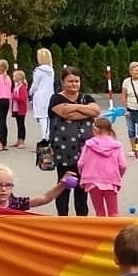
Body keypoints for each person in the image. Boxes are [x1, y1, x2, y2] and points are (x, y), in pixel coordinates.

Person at [48, 67, 100, 216]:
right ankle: (62, 219)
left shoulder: (86, 97)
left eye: (77, 81)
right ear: (63, 82)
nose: (74, 84)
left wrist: (75, 107)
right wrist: (86, 112)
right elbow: (66, 114)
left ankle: (81, 220)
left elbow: (96, 111)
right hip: (63, 151)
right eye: (70, 81)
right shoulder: (56, 98)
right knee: (63, 186)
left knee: (82, 188)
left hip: (85, 151)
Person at [76, 115, 128, 216]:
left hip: (92, 181)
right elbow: (123, 165)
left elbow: (80, 163)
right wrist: (119, 174)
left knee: (99, 213)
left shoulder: (89, 144)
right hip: (111, 181)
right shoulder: (116, 145)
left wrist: (84, 174)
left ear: (95, 129)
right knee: (113, 213)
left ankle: (101, 226)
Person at [29, 49, 56, 142]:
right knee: (48, 117)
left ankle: (44, 137)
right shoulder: (51, 70)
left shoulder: (38, 70)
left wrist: (30, 92)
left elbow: (35, 84)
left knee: (42, 117)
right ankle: (48, 135)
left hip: (40, 95)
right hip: (49, 94)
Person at [9, 68, 29, 146]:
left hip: (21, 109)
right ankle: (18, 140)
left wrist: (14, 97)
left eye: (14, 77)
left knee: (21, 125)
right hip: (16, 108)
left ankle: (22, 141)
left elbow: (22, 98)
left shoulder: (22, 87)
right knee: (18, 124)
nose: (13, 78)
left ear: (19, 78)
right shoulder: (16, 86)